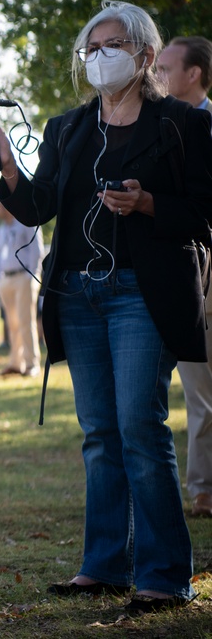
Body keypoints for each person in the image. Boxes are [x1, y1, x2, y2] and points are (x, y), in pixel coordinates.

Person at [0, 1, 212, 611]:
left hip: (142, 292)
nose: (99, 57)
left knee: (139, 426)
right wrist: (6, 169)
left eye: (110, 45)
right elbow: (38, 206)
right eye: (91, 49)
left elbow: (204, 214)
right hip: (78, 294)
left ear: (141, 52)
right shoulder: (67, 129)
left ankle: (163, 575)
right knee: (100, 432)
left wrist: (149, 204)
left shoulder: (183, 125)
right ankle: (105, 566)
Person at [157, 35, 212, 518]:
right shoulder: (159, 129)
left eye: (166, 68)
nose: (157, 77)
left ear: (193, 73)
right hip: (197, 285)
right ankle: (203, 488)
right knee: (200, 394)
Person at [0, 200, 44, 377]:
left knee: (25, 321)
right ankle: (16, 362)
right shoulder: (1, 229)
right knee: (12, 323)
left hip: (24, 276)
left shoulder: (26, 222)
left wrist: (31, 277)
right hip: (6, 279)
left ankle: (31, 364)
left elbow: (36, 251)